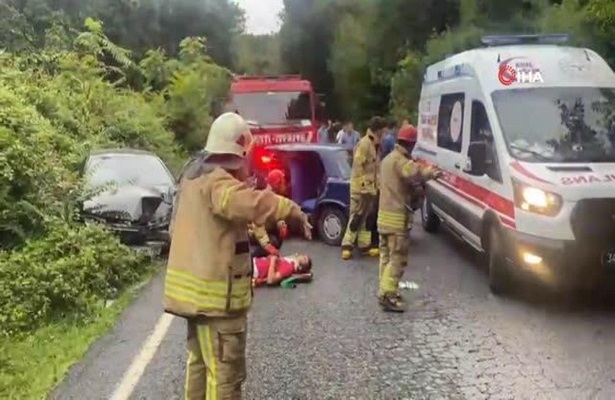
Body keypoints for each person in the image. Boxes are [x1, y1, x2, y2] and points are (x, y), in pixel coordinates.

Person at [164, 112, 312, 400]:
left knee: (200, 369)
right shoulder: (218, 183)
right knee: (225, 378)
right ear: (239, 150)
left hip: (195, 301)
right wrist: (291, 210)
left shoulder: (193, 177)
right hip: (217, 305)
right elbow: (250, 203)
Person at [377, 125, 440, 312]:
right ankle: (388, 296)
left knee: (386, 258)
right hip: (396, 219)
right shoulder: (400, 161)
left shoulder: (387, 160)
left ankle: (386, 290)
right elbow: (413, 172)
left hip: (383, 218)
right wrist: (430, 172)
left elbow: (398, 184)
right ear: (410, 144)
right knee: (398, 259)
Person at [341, 116, 387, 260]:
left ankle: (363, 245)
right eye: (383, 130)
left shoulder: (375, 144)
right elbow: (358, 166)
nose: (384, 133)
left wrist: (378, 186)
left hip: (370, 189)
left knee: (367, 217)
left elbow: (375, 169)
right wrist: (364, 185)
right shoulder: (365, 144)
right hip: (360, 189)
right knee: (356, 216)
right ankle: (347, 245)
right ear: (378, 129)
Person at [249, 169, 290, 258]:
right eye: (283, 182)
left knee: (278, 237)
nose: (285, 185)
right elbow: (257, 224)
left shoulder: (276, 197)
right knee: (273, 241)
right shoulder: (265, 199)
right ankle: (252, 259)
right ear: (277, 184)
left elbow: (276, 215)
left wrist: (281, 224)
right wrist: (266, 244)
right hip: (252, 231)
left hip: (266, 228)